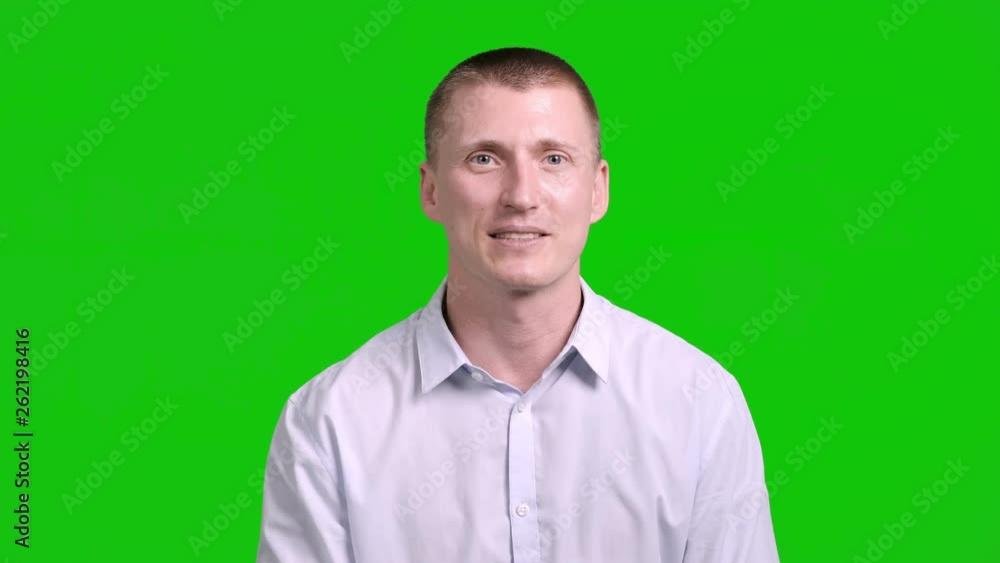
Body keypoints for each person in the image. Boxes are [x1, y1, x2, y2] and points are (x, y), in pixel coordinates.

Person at [256, 46, 780, 562]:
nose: (521, 195)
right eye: (484, 158)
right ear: (431, 190)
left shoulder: (699, 404)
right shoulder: (329, 421)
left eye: (554, 159)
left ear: (597, 190)